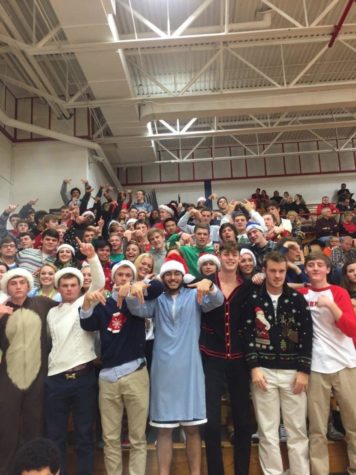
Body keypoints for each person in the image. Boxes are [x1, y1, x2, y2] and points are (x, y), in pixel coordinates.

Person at [126, 259, 224, 475]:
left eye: (176, 274)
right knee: (163, 430)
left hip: (190, 367)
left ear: (183, 276)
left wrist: (210, 285)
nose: (172, 278)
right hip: (163, 369)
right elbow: (136, 309)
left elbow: (217, 301)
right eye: (168, 274)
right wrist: (135, 289)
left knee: (192, 428)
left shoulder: (194, 295)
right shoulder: (157, 299)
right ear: (162, 277)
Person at [80, 260, 163, 475]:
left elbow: (159, 287)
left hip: (135, 371)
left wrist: (140, 285)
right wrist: (87, 303)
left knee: (137, 437)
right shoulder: (103, 303)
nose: (124, 278)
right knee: (110, 438)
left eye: (129, 275)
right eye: (121, 275)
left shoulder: (138, 298)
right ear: (113, 278)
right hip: (107, 376)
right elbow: (87, 324)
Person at [243, 251, 313, 475]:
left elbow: (306, 335)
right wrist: (254, 367)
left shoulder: (296, 299)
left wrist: (303, 370)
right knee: (268, 431)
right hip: (263, 372)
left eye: (281, 271)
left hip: (293, 373)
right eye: (272, 271)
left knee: (297, 430)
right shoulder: (254, 298)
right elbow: (247, 334)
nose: (277, 275)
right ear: (264, 271)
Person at [45, 241, 105, 475]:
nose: (69, 288)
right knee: (55, 436)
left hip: (83, 378)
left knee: (83, 435)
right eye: (65, 285)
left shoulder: (85, 302)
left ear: (80, 288)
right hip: (55, 380)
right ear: (58, 288)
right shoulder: (51, 312)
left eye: (73, 285)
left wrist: (92, 257)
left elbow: (99, 282)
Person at [300, 252, 356, 475]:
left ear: (327, 270)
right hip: (316, 367)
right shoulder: (301, 294)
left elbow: (351, 329)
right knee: (316, 429)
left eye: (319, 265)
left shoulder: (339, 292)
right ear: (306, 269)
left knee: (353, 424)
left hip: (346, 364)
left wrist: (331, 306)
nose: (315, 268)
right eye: (310, 265)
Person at [200, 242, 252, 475]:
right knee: (210, 423)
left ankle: (242, 471)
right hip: (212, 357)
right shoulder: (207, 282)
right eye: (226, 254)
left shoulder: (248, 285)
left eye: (235, 254)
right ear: (220, 256)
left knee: (243, 422)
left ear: (239, 258)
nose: (231, 258)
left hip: (240, 359)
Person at [0, 268, 58, 475]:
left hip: (38, 377)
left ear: (28, 285)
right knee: (7, 430)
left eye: (21, 282)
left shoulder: (42, 303)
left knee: (35, 428)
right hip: (8, 378)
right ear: (7, 287)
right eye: (13, 283)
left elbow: (70, 308)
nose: (17, 286)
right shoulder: (2, 310)